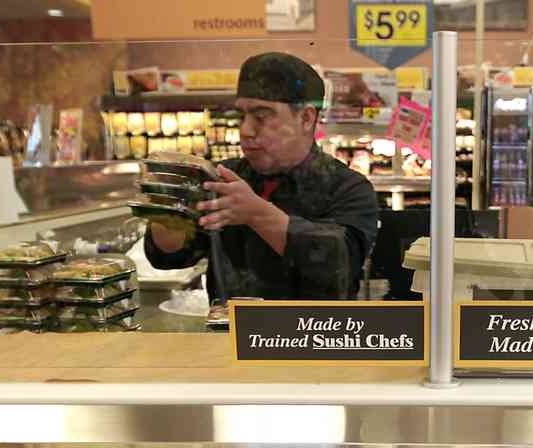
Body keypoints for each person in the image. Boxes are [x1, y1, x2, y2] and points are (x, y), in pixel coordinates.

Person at [145, 52, 379, 301]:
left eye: (261, 116)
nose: (245, 130)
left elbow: (342, 265)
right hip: (231, 325)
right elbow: (171, 258)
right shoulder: (223, 177)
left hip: (315, 325)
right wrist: (168, 213)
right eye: (241, 116)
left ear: (306, 118)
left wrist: (257, 214)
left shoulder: (348, 187)